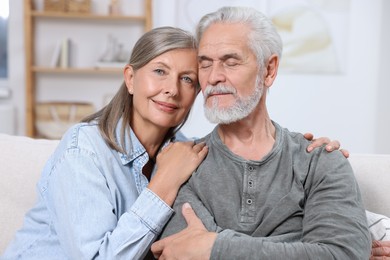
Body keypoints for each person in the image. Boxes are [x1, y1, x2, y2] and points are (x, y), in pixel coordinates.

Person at [1, 26, 338, 260]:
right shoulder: (85, 150)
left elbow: (259, 215)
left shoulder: (190, 153)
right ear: (131, 79)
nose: (172, 89)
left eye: (187, 79)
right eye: (159, 72)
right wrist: (162, 184)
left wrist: (306, 156)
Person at [152, 7, 372, 259]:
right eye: (205, 64)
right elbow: (180, 253)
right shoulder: (179, 164)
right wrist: (298, 245)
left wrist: (214, 247)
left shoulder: (320, 161)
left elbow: (344, 254)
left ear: (268, 70)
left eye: (230, 61)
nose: (213, 77)